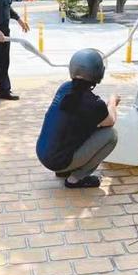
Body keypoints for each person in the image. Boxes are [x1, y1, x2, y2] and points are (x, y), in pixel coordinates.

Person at [36, 49, 120, 188]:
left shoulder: (64, 88)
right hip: (58, 160)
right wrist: (112, 102)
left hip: (43, 152)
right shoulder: (94, 104)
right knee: (111, 135)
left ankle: (64, 170)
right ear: (99, 73)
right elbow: (110, 120)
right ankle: (76, 178)